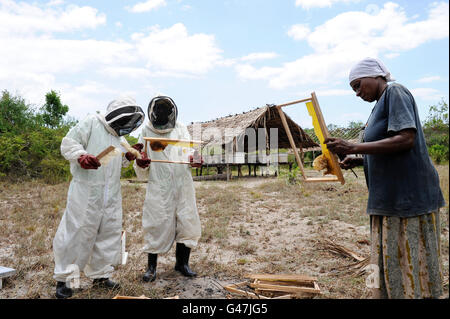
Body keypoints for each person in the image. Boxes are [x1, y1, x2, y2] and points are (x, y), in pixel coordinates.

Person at [324, 57, 446, 299]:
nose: (357, 93)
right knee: (390, 258)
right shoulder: (377, 106)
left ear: (375, 76)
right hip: (388, 198)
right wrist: (359, 159)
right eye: (353, 89)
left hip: (408, 198)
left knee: (409, 257)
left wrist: (354, 147)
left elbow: (405, 139)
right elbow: (385, 148)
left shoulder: (395, 93)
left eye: (358, 85)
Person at [53, 96, 145, 299]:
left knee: (108, 233)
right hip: (86, 191)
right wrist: (81, 156)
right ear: (115, 116)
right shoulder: (92, 122)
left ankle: (101, 276)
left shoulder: (118, 138)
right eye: (123, 121)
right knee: (77, 232)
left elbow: (114, 163)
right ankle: (66, 280)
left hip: (110, 193)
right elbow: (69, 143)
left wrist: (128, 157)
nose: (125, 126)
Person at [134, 95, 202, 283]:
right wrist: (141, 162)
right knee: (156, 221)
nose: (162, 113)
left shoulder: (181, 129)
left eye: (166, 110)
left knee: (186, 220)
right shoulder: (147, 130)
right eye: (159, 110)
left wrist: (194, 159)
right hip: (159, 185)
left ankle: (182, 264)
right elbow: (141, 156)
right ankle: (151, 268)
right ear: (153, 112)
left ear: (172, 112)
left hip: (182, 183)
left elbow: (189, 151)